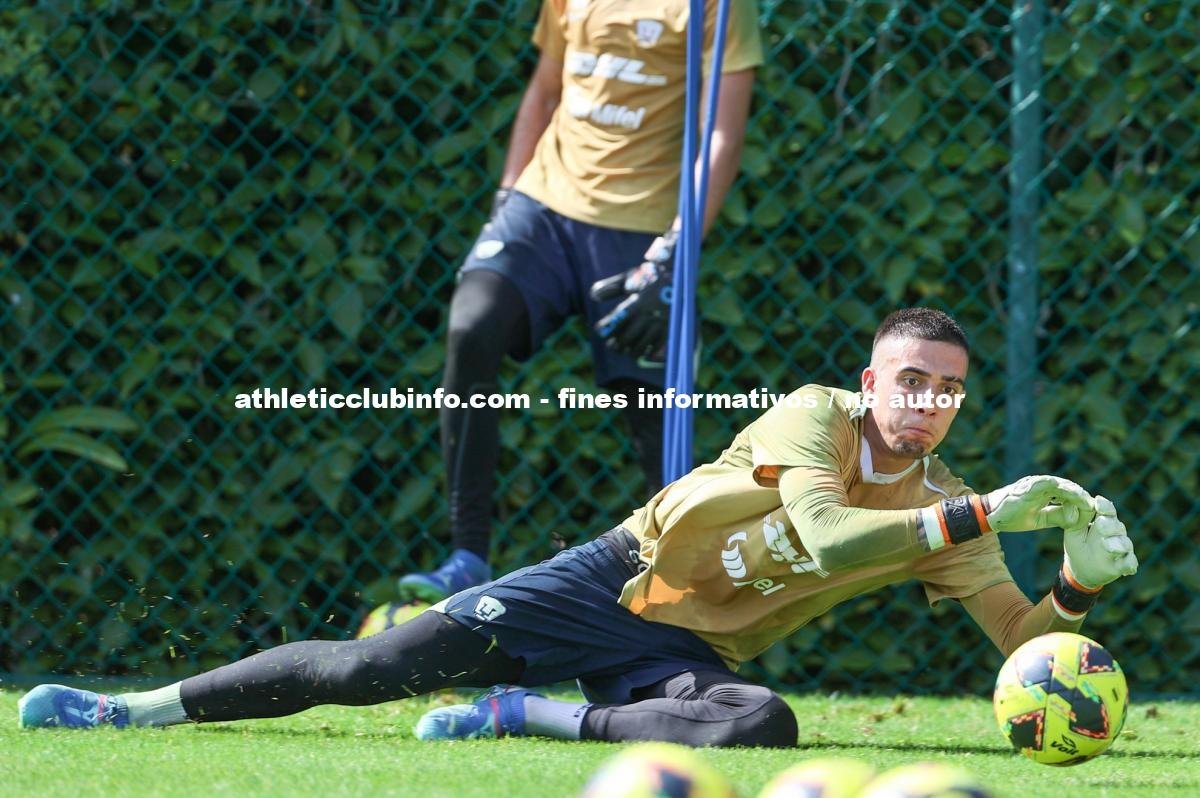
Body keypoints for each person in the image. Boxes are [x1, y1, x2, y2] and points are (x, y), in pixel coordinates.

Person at [19, 308, 1139, 747]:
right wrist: (984, 509)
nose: (928, 403)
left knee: (764, 728)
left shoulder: (953, 506)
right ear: (870, 380)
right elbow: (835, 537)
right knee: (372, 667)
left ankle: (526, 717)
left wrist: (1076, 592)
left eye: (947, 390)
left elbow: (1016, 645)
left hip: (683, 655)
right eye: (912, 380)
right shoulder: (813, 415)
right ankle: (129, 707)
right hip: (607, 578)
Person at [394, 0, 764, 602]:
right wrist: (506, 199)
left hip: (643, 233)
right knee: (472, 328)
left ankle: (667, 596)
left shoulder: (719, 7)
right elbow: (544, 92)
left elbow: (722, 130)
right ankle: (466, 556)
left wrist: (676, 251)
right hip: (540, 209)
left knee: (654, 421)